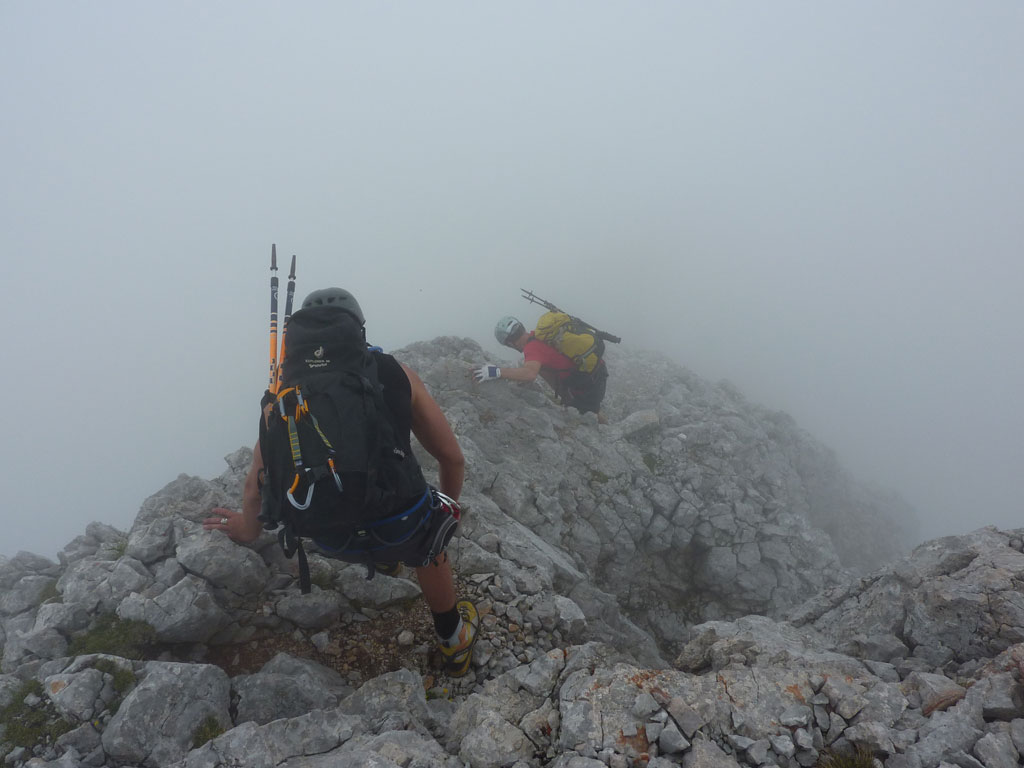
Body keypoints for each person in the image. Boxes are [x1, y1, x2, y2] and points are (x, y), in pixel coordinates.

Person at [205, 288, 478, 677]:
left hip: (328, 535)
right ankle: (453, 642)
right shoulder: (396, 374)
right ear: (358, 331)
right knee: (428, 539)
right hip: (399, 525)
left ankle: (381, 559)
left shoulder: (284, 391)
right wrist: (446, 513)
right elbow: (452, 458)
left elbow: (258, 477)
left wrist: (248, 528)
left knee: (359, 512)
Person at [474, 315, 609, 420]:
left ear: (510, 343)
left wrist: (495, 371)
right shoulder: (538, 335)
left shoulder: (532, 349)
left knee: (590, 415)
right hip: (595, 371)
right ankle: (576, 405)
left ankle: (606, 434)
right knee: (588, 409)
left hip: (590, 383)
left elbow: (530, 374)